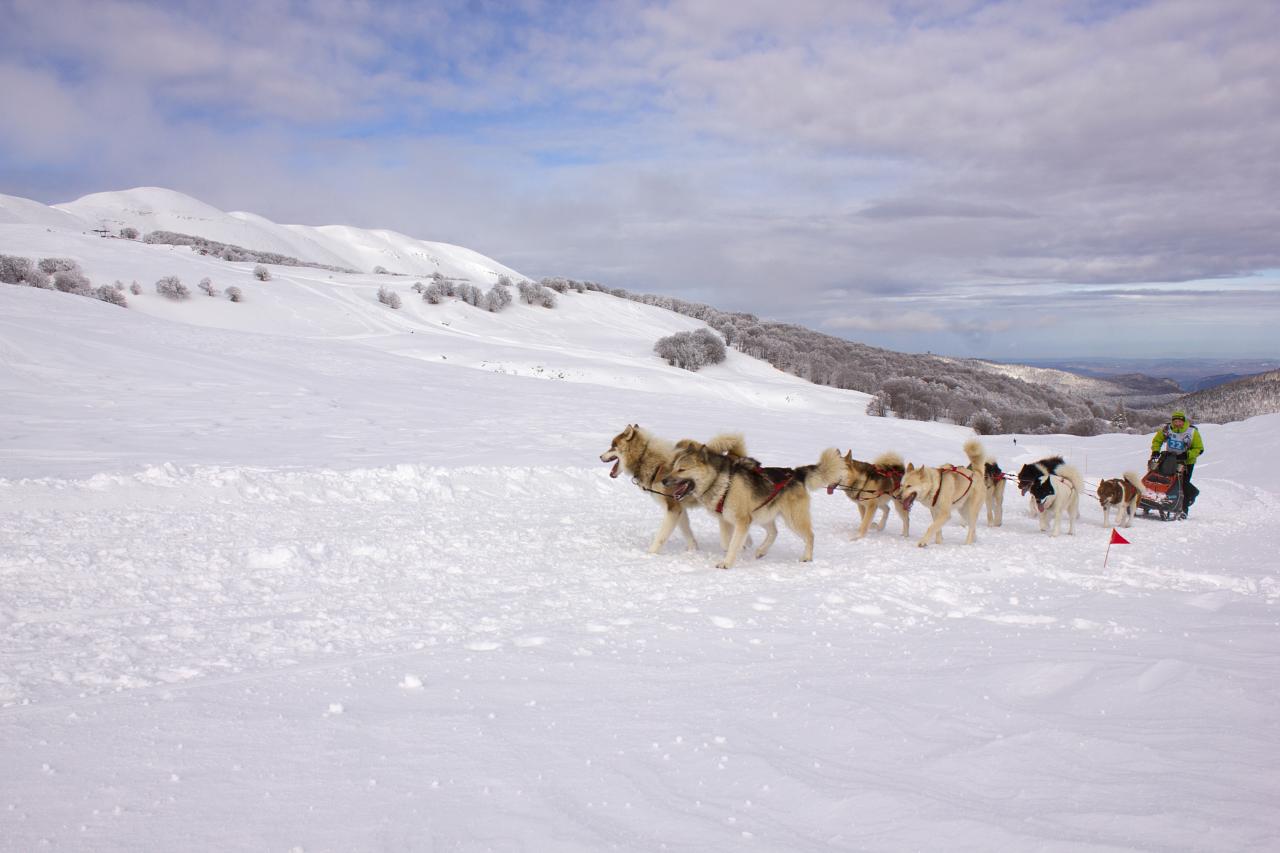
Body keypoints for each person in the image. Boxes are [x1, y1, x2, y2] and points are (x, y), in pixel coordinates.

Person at [1150, 409, 1204, 518]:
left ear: (1184, 421)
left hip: (1186, 462)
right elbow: (1157, 440)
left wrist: (1187, 455)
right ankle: (1157, 501)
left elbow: (1199, 449)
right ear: (1172, 422)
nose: (1178, 423)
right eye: (1175, 421)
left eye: (1180, 421)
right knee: (1165, 480)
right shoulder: (1167, 429)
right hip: (1170, 459)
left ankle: (1184, 509)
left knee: (1182, 485)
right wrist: (1155, 450)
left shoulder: (1192, 432)